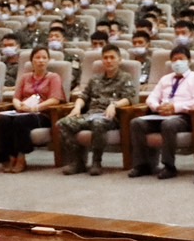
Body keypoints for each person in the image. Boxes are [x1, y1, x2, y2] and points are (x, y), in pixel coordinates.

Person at [128, 48, 194, 180]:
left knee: (168, 124)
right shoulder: (165, 79)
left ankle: (169, 166)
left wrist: (175, 107)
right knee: (136, 122)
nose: (178, 62)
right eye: (174, 59)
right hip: (161, 114)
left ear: (189, 61)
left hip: (184, 117)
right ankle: (142, 165)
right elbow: (151, 98)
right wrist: (158, 107)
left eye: (181, 59)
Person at [57, 45, 136, 176]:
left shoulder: (125, 77)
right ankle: (77, 162)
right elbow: (83, 96)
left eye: (112, 57)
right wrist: (77, 107)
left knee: (98, 123)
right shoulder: (95, 79)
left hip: (109, 116)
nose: (109, 61)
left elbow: (129, 98)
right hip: (90, 114)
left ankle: (96, 162)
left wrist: (114, 105)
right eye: (105, 58)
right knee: (63, 123)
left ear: (119, 60)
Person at [0, 47, 64, 173]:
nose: (41, 61)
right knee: (2, 119)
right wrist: (18, 105)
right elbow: (15, 97)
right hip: (22, 111)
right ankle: (8, 157)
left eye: (44, 58)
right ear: (32, 61)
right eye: (37, 57)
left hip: (42, 113)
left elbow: (55, 99)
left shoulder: (53, 77)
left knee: (20, 122)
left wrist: (35, 107)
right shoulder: (25, 77)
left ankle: (21, 157)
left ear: (48, 61)